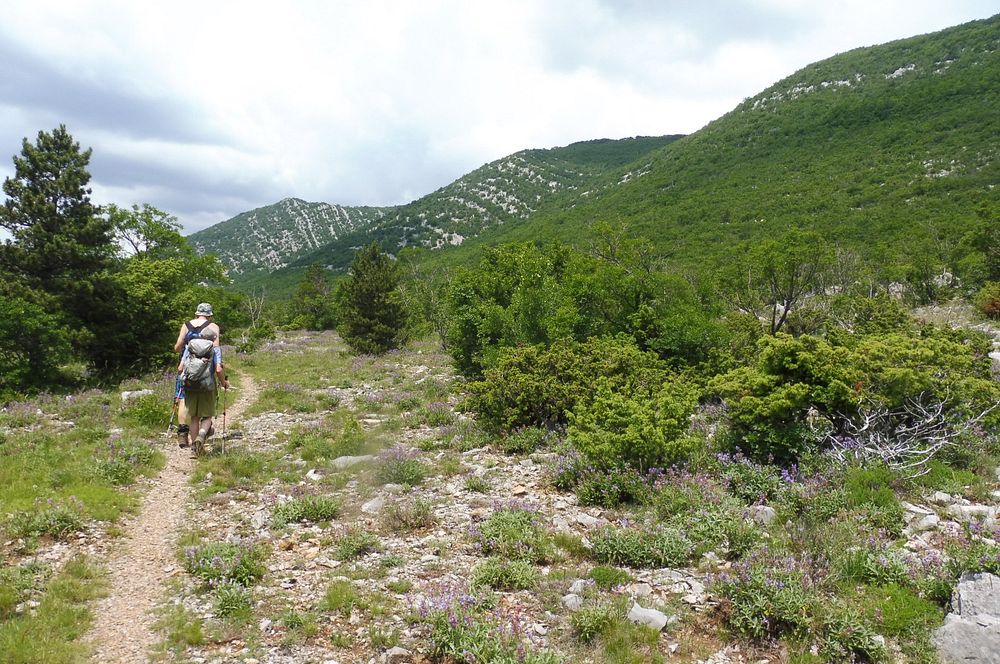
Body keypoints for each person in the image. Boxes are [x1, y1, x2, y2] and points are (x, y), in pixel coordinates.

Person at [172, 303, 221, 448]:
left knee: (182, 398)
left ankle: (182, 433)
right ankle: (203, 433)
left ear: (196, 313)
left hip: (188, 367)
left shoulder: (186, 325)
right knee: (206, 404)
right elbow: (216, 347)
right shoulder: (213, 327)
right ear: (210, 315)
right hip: (206, 370)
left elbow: (177, 347)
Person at [178, 325, 229, 455]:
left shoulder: (190, 346)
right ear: (214, 338)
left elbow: (180, 367)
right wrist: (224, 383)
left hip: (190, 385)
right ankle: (201, 436)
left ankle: (195, 450)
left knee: (194, 417)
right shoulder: (215, 349)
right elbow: (218, 369)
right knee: (207, 416)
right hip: (207, 386)